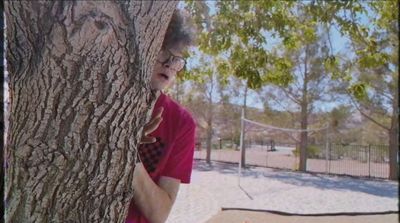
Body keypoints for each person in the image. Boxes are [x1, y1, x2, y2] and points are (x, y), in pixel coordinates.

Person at [126, 9, 196, 223]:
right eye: (163, 52)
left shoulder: (181, 122)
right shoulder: (103, 97)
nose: (169, 64)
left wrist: (128, 153)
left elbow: (159, 214)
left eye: (177, 60)